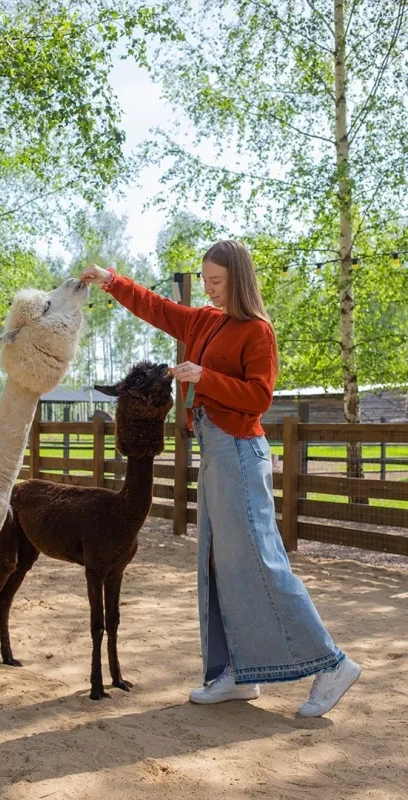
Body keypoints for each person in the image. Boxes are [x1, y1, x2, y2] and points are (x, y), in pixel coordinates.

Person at [80, 240, 361, 717]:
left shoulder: (258, 331)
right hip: (214, 453)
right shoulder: (204, 320)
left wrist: (203, 376)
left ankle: (332, 663)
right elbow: (158, 307)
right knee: (216, 565)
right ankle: (237, 673)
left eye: (217, 282)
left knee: (261, 562)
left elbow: (259, 398)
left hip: (239, 452)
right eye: (205, 281)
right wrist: (111, 281)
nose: (208, 290)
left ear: (239, 280)